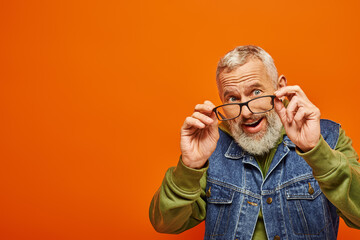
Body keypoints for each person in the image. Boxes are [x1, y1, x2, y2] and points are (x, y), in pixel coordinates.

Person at [149, 45, 360, 240]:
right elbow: (166, 223)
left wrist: (316, 151)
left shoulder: (330, 136)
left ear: (280, 88)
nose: (247, 112)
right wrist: (190, 166)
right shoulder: (210, 147)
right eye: (232, 98)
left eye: (256, 92)